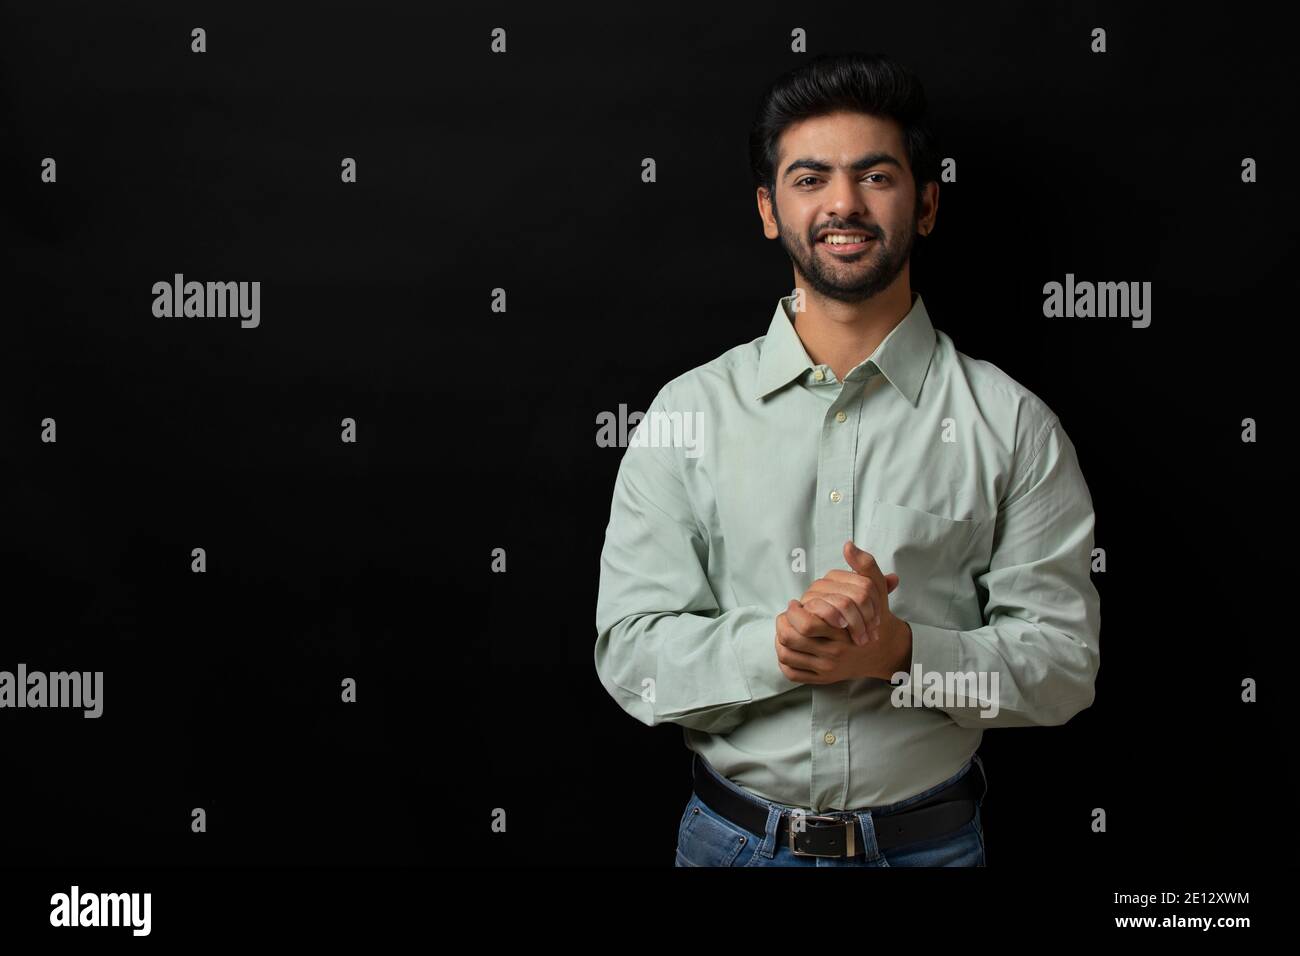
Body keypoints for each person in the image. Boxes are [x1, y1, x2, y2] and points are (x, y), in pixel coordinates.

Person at [593, 51, 1100, 867]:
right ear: (769, 209)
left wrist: (906, 655)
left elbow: (1064, 668)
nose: (842, 203)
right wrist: (778, 649)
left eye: (875, 176)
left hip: (930, 849)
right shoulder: (687, 414)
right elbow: (631, 653)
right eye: (808, 178)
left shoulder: (1013, 426)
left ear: (926, 203)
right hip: (731, 846)